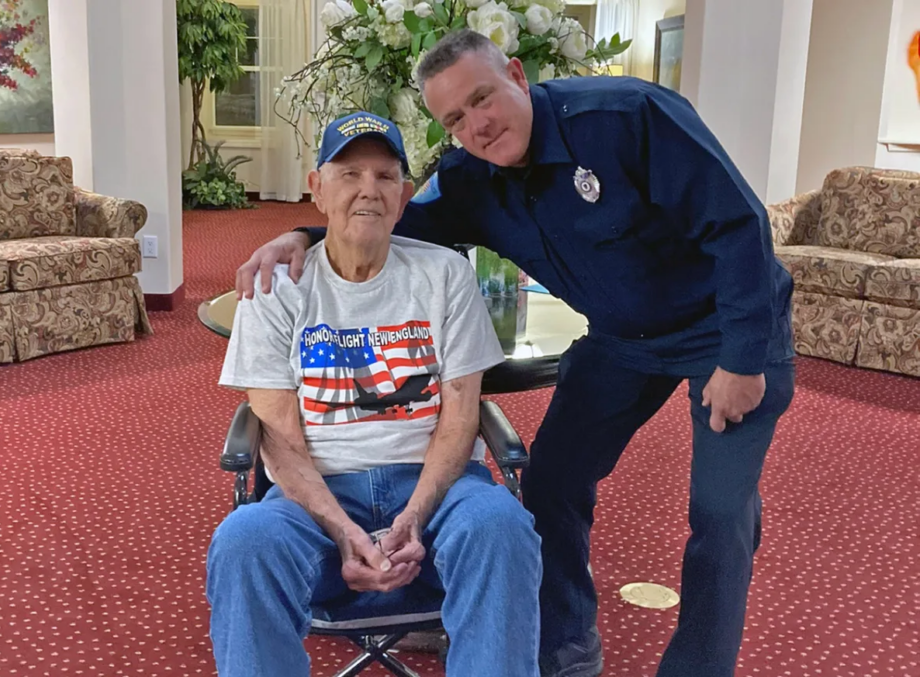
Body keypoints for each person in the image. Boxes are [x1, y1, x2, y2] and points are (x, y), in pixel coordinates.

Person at [234, 29, 796, 677]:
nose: (476, 124)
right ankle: (564, 639)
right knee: (551, 481)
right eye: (454, 118)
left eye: (483, 98)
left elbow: (740, 223)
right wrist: (300, 234)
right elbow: (392, 218)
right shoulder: (471, 179)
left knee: (720, 515)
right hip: (622, 340)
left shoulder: (627, 117)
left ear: (519, 77)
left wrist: (746, 358)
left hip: (727, 327)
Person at [207, 110, 543, 677]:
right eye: (349, 174)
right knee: (244, 542)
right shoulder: (274, 287)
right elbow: (279, 440)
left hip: (435, 489)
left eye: (386, 176)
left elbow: (461, 418)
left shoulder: (444, 275)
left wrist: (415, 514)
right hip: (316, 499)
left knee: (501, 528)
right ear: (315, 188)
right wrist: (342, 530)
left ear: (405, 194)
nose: (369, 190)